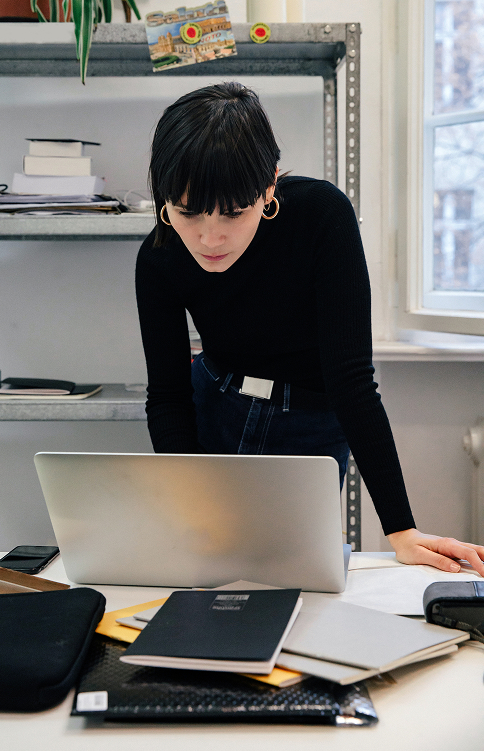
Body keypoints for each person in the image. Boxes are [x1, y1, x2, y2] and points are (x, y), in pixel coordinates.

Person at [135, 81, 484, 576]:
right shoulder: (159, 256)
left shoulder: (322, 216)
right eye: (188, 211)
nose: (209, 237)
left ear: (270, 186)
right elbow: (167, 396)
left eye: (234, 212)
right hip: (216, 405)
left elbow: (352, 381)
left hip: (313, 420)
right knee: (204, 566)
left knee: (292, 576)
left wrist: (402, 531)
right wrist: (190, 502)